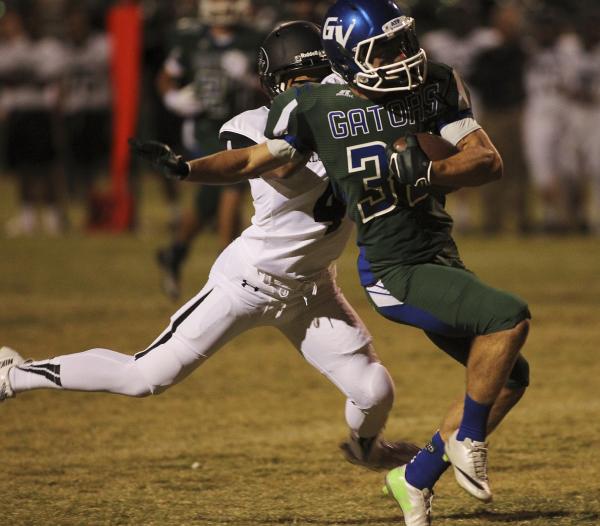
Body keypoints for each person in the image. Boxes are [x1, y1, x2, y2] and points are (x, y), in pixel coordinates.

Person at [123, 1, 531, 524]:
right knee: (508, 316)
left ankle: (413, 479)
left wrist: (428, 174)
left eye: (403, 42)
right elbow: (252, 158)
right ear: (349, 57)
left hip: (439, 251)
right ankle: (466, 439)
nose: (401, 57)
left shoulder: (433, 82)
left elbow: (486, 161)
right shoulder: (314, 105)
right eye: (384, 49)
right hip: (394, 265)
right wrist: (186, 168)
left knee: (510, 376)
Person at [0, 20, 417, 473]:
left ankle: (365, 448)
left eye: (319, 79)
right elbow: (260, 164)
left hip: (313, 289)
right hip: (247, 282)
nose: (310, 92)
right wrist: (187, 167)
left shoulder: (351, 117)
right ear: (276, 85)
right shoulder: (255, 123)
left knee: (376, 389)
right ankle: (15, 374)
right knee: (144, 377)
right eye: (299, 83)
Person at [155, 0, 262, 299]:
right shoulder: (191, 38)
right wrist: (173, 99)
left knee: (207, 200)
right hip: (205, 128)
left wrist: (250, 79)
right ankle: (230, 270)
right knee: (231, 188)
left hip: (242, 126)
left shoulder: (253, 39)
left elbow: (272, 85)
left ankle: (175, 253)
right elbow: (165, 77)